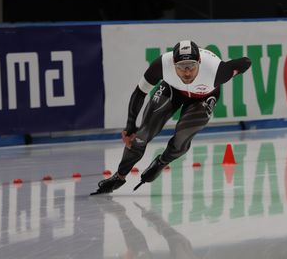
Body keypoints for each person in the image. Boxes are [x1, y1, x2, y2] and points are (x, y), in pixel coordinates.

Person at [91, 40, 251, 194]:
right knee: (141, 135)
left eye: (192, 67)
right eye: (181, 67)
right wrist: (130, 125)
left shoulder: (217, 70)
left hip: (203, 98)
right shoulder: (161, 64)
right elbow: (140, 92)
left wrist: (234, 66)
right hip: (172, 90)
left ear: (200, 62)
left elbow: (245, 62)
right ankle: (119, 177)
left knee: (181, 139)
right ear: (172, 63)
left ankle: (161, 162)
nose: (187, 72)